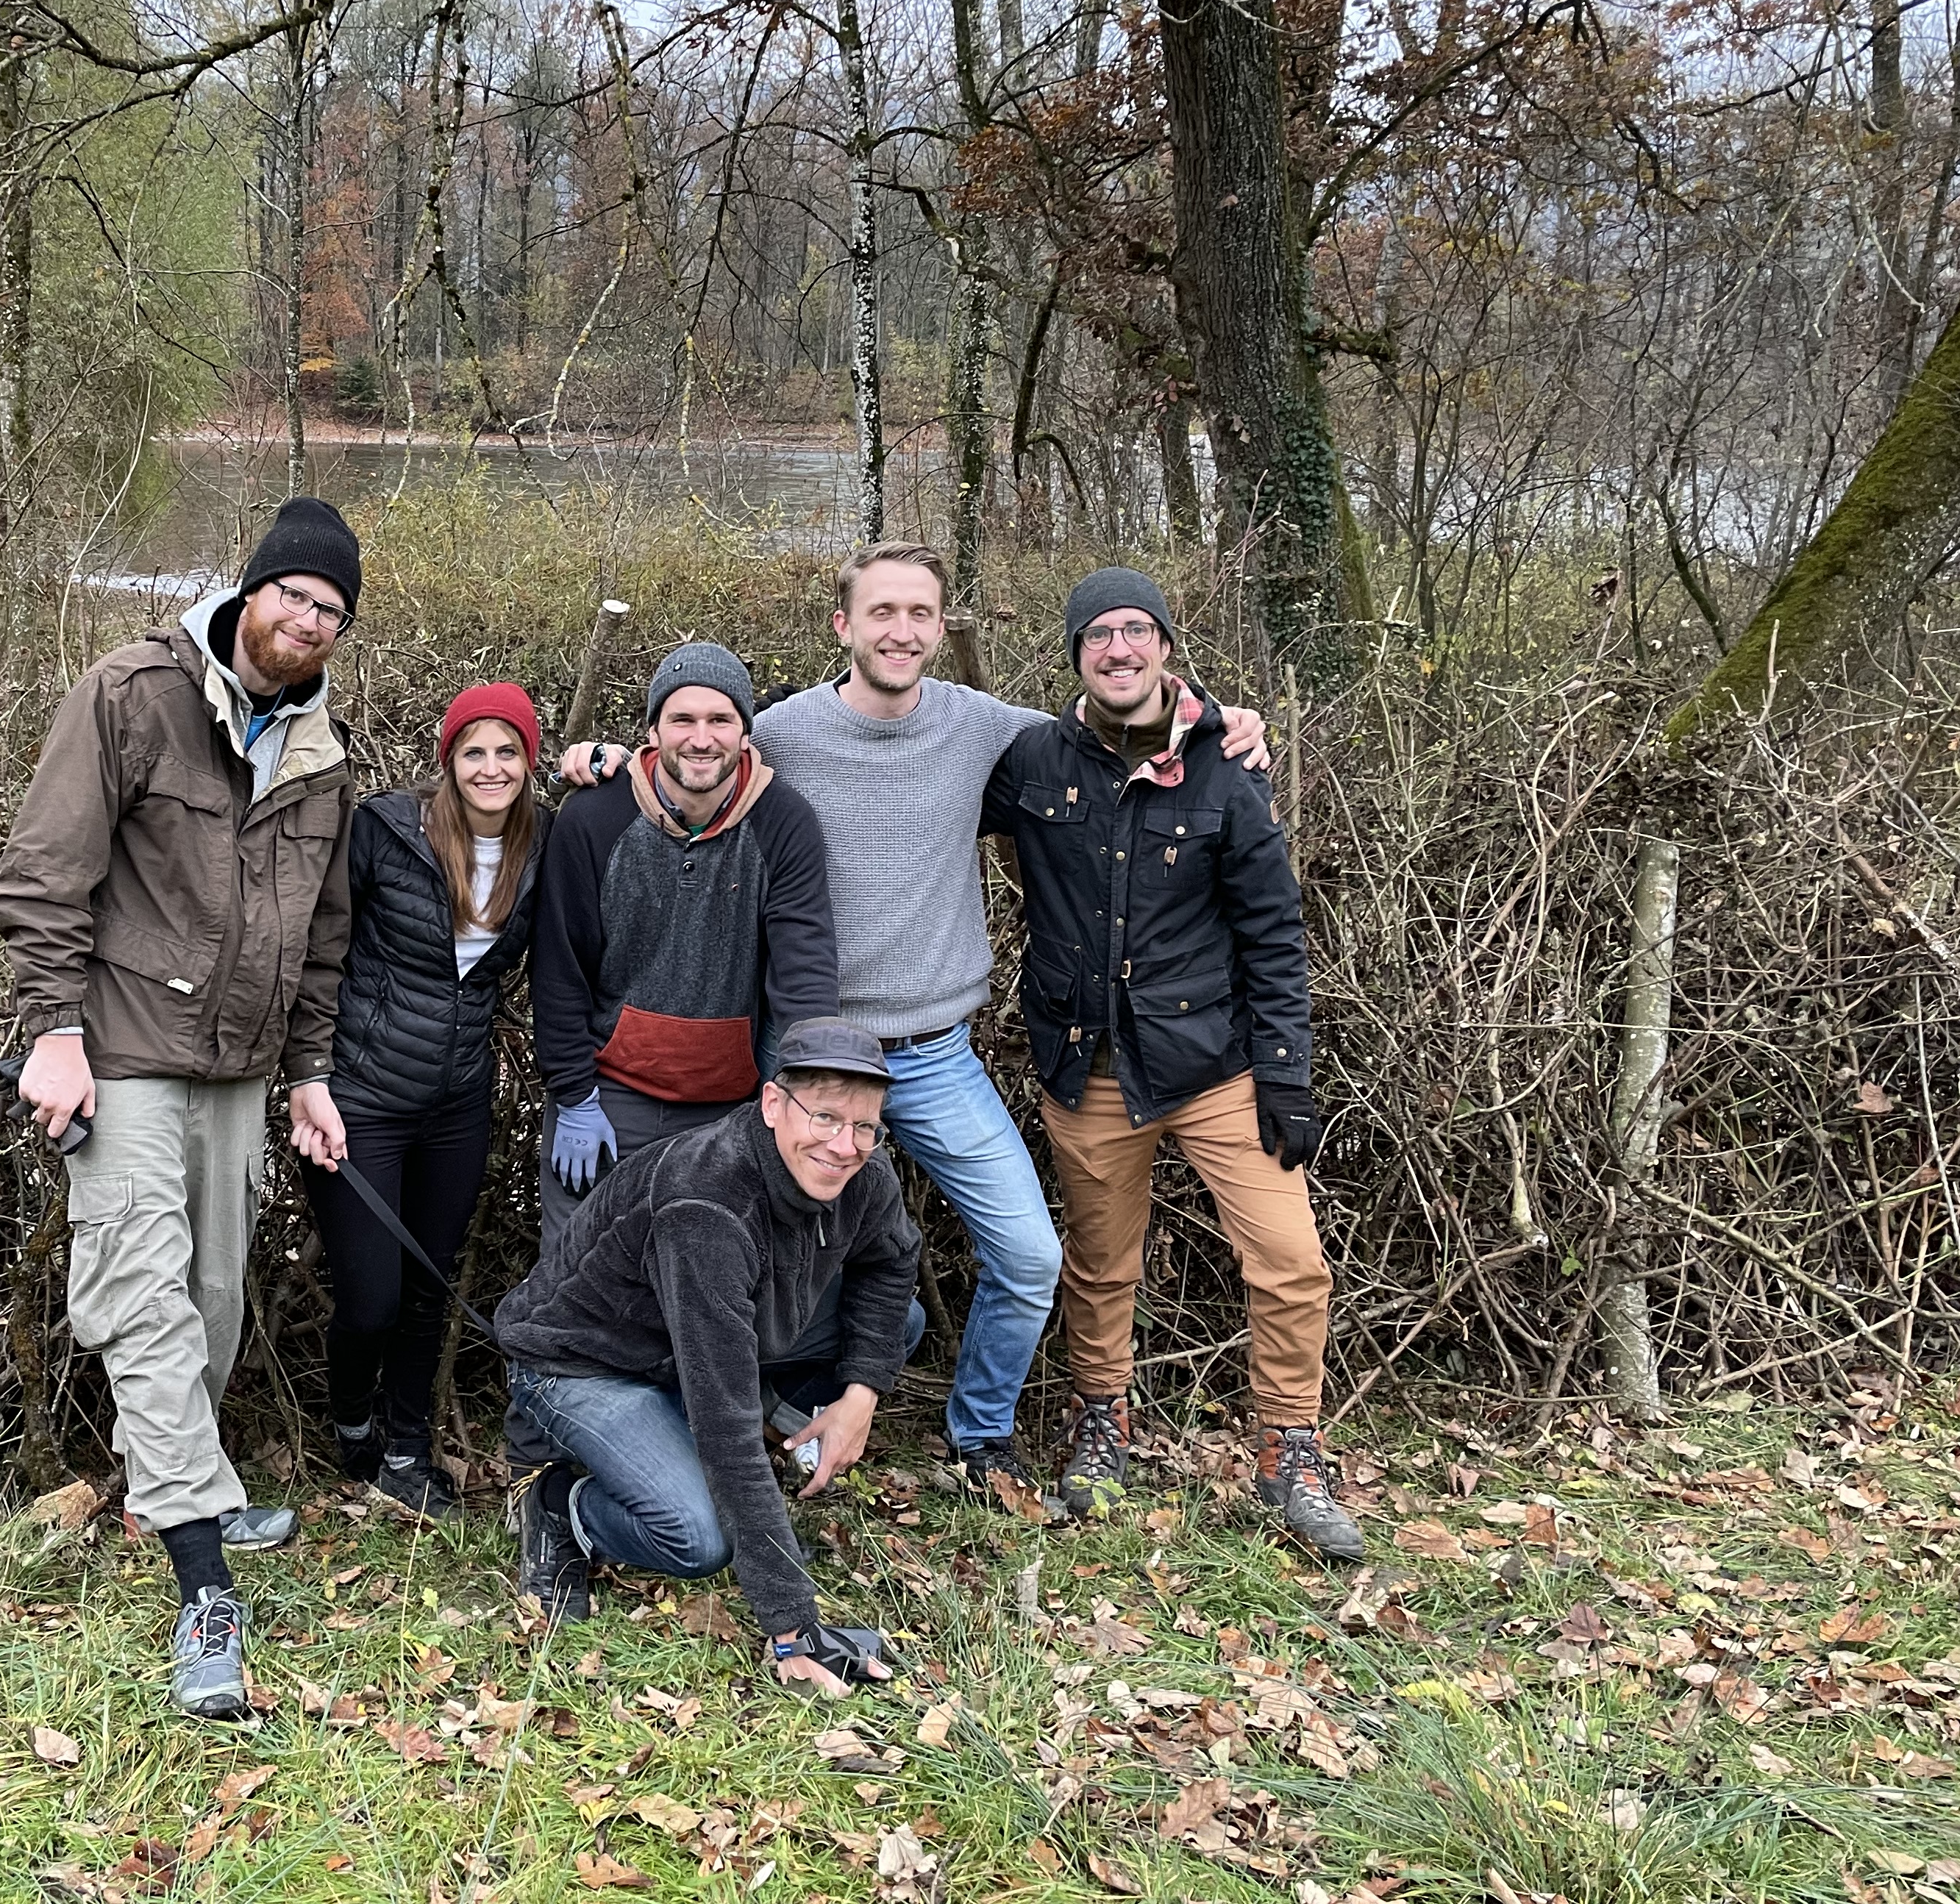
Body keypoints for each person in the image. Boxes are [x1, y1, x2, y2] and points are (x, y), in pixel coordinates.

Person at [562, 543, 1266, 1491]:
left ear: (941, 628)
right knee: (757, 1248)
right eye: (881, 612)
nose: (901, 631)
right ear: (844, 626)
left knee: (1028, 1253)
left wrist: (1218, 722)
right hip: (803, 1060)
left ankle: (979, 1435)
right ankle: (756, 1413)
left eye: (920, 614)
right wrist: (605, 758)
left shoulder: (987, 730)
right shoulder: (786, 733)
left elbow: (1118, 730)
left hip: (934, 1056)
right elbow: (690, 759)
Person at [0, 496, 365, 1721]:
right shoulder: (133, 693)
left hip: (243, 1070)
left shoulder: (324, 753)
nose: (305, 622)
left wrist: (308, 1071)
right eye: (293, 594)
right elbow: (47, 870)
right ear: (248, 589)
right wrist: (53, 1032)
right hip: (129, 1053)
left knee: (212, 1297)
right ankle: (204, 1583)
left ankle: (178, 1483)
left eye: (330, 611)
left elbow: (323, 937)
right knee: (144, 1294)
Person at [983, 568, 1358, 1562]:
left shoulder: (1227, 770)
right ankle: (1101, 1420)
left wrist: (1285, 1073)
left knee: (1291, 1262)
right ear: (1076, 654)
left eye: (1135, 631)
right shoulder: (1029, 762)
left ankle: (1289, 1446)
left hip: (1216, 1067)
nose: (1117, 649)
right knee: (1101, 1267)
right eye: (1097, 634)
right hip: (1087, 1064)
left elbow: (1274, 932)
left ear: (1165, 647)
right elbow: (903, 782)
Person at [499, 1017, 920, 1697]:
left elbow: (893, 1263)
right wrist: (794, 1630)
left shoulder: (860, 1174)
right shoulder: (707, 1206)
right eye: (826, 1118)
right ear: (774, 1105)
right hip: (584, 1361)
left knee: (900, 1326)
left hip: (707, 1345)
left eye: (865, 1128)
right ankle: (562, 1505)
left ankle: (751, 1431)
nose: (845, 1147)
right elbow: (724, 1426)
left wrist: (861, 1395)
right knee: (699, 1538)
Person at [302, 682, 549, 1518]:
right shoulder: (385, 830)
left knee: (429, 1289)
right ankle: (349, 1424)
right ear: (448, 761)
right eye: (473, 751)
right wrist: (307, 1079)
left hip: (457, 1106)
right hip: (361, 1100)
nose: (491, 767)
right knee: (370, 1298)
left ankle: (408, 1446)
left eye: (507, 751)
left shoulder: (539, 847)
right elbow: (318, 947)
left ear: (529, 762)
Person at [527, 641, 838, 1249]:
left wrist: (804, 1099)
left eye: (721, 720)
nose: (702, 738)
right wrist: (573, 1097)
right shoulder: (593, 819)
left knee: (702, 1287)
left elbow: (804, 971)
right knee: (572, 1290)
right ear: (652, 730)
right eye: (683, 719)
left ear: (746, 733)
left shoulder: (783, 822)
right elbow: (559, 970)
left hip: (727, 1107)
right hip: (610, 1097)